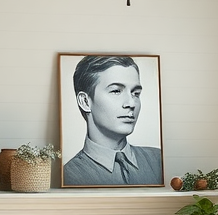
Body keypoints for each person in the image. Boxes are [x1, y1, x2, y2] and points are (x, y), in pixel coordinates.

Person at [62, 55, 163, 186]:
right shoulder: (70, 175)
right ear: (85, 101)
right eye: (116, 91)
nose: (131, 103)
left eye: (135, 93)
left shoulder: (158, 161)